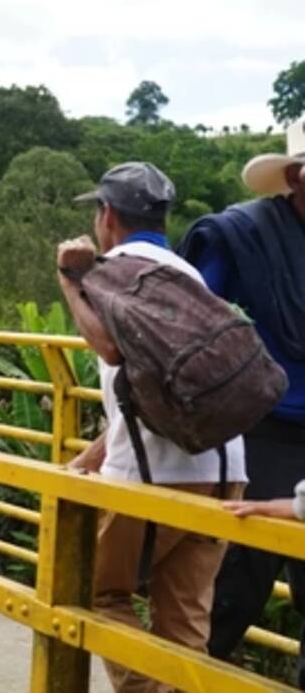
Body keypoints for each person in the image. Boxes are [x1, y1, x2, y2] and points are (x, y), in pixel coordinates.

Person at [58, 162, 247, 693]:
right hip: (226, 468)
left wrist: (73, 282)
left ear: (107, 215)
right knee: (184, 628)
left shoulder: (113, 269)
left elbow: (114, 350)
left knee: (94, 593)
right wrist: (85, 460)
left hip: (154, 477)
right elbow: (142, 397)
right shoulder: (186, 275)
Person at [177, 121, 305, 684]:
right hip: (263, 430)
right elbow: (189, 324)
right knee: (235, 590)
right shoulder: (244, 236)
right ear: (298, 176)